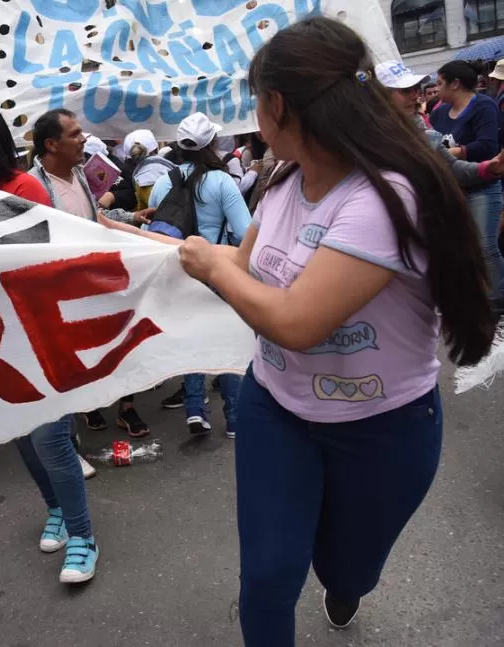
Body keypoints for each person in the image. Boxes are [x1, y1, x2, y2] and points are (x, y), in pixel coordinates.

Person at [176, 17, 494, 644]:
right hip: (278, 410)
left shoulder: (383, 197)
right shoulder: (282, 181)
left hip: (385, 429)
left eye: (254, 100)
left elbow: (294, 320)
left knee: (345, 568)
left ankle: (347, 584)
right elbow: (245, 269)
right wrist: (172, 254)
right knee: (268, 577)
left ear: (277, 105)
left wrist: (210, 264)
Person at [0, 98, 99, 581]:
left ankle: (82, 536)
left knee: (52, 438)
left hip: (39, 329)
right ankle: (54, 507)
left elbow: (49, 263)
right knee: (22, 438)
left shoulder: (25, 187)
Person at [27, 109, 152, 442]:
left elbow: (97, 218)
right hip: (63, 291)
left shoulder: (82, 174)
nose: (83, 138)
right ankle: (79, 419)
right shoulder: (33, 186)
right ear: (52, 145)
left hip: (99, 279)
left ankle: (126, 407)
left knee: (123, 338)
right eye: (75, 134)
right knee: (77, 354)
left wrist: (135, 219)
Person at [147, 112, 251, 439]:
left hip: (179, 270)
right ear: (211, 144)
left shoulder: (165, 181)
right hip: (218, 267)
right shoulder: (222, 182)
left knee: (194, 339)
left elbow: (153, 224)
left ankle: (195, 409)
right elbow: (245, 231)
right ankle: (235, 417)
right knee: (227, 340)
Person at [430, 60, 504, 308]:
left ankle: (498, 299)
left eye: (440, 83)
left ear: (455, 84)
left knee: (485, 246)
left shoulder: (484, 106)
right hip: (452, 190)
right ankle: (475, 297)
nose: (436, 89)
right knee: (461, 248)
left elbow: (487, 146)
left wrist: (448, 153)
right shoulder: (438, 112)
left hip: (483, 186)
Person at [376, 59, 504, 189]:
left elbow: (449, 167)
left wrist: (486, 168)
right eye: (406, 90)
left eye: (415, 88)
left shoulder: (421, 129)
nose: (415, 95)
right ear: (378, 94)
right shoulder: (365, 138)